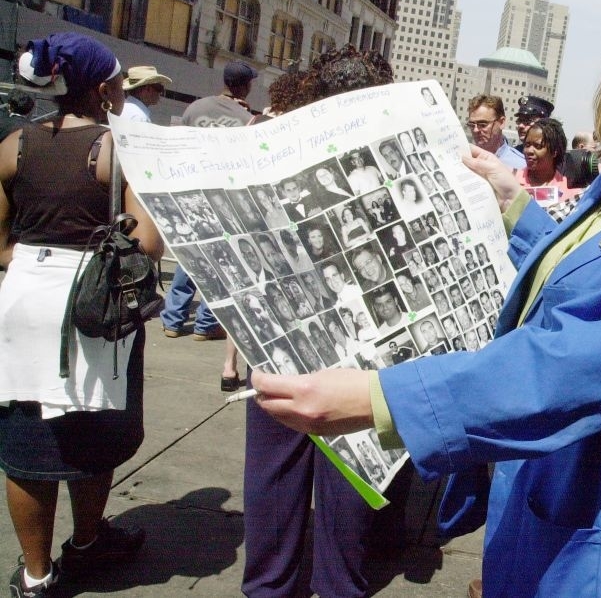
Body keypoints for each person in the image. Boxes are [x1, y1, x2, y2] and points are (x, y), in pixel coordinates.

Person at [252, 0, 601, 598]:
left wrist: (386, 399)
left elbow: (600, 353)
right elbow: (591, 278)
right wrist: (514, 206)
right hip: (538, 521)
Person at [241, 45, 411, 598]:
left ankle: (270, 585)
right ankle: (340, 585)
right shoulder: (389, 161)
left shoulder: (275, 154)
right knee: (352, 466)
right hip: (361, 345)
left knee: (274, 466)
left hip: (279, 337)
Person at [0, 32, 163, 597]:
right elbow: (146, 245)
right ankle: (89, 543)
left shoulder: (15, 144)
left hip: (23, 303)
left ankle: (36, 574)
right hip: (95, 307)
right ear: (102, 89)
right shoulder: (116, 149)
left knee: (24, 446)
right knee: (95, 425)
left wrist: (35, 262)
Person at [163, 61, 257, 340]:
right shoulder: (245, 118)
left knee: (189, 256)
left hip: (191, 193)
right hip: (224, 199)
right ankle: (206, 325)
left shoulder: (195, 108)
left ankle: (172, 321)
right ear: (246, 86)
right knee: (219, 261)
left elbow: (178, 146)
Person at [517, 117, 583, 207]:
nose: (529, 151)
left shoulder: (570, 192)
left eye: (538, 146)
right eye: (527, 145)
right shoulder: (512, 181)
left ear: (554, 151)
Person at [466, 95, 524, 169]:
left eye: (482, 125)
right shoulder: (463, 159)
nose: (475, 130)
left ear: (501, 123)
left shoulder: (521, 165)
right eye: (472, 125)